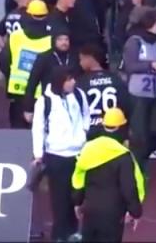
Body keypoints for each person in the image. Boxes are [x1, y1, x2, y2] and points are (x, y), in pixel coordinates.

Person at [31, 65, 91, 243]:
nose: (73, 82)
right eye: (68, 79)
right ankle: (59, 236)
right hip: (56, 156)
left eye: (73, 78)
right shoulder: (45, 101)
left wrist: (83, 132)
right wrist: (38, 154)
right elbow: (38, 128)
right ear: (59, 81)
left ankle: (73, 233)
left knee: (77, 197)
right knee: (59, 199)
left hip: (78, 155)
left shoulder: (79, 95)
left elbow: (86, 115)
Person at [71, 107, 146, 243]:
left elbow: (79, 177)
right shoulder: (123, 156)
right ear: (121, 127)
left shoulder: (89, 149)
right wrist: (136, 212)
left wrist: (77, 201)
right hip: (113, 215)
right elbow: (129, 188)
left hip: (90, 211)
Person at [121, 7, 156, 173]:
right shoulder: (134, 42)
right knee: (139, 134)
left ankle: (144, 157)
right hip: (138, 93)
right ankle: (137, 168)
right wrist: (151, 65)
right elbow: (130, 65)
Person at [0, 0, 53, 127]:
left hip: (19, 91)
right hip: (43, 92)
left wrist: (11, 77)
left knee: (18, 132)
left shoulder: (15, 37)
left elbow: (4, 61)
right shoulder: (51, 39)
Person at [76, 43, 129, 137]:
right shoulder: (115, 79)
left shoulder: (81, 82)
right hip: (114, 128)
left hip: (90, 130)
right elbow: (125, 102)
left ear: (89, 58)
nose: (80, 63)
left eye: (81, 59)